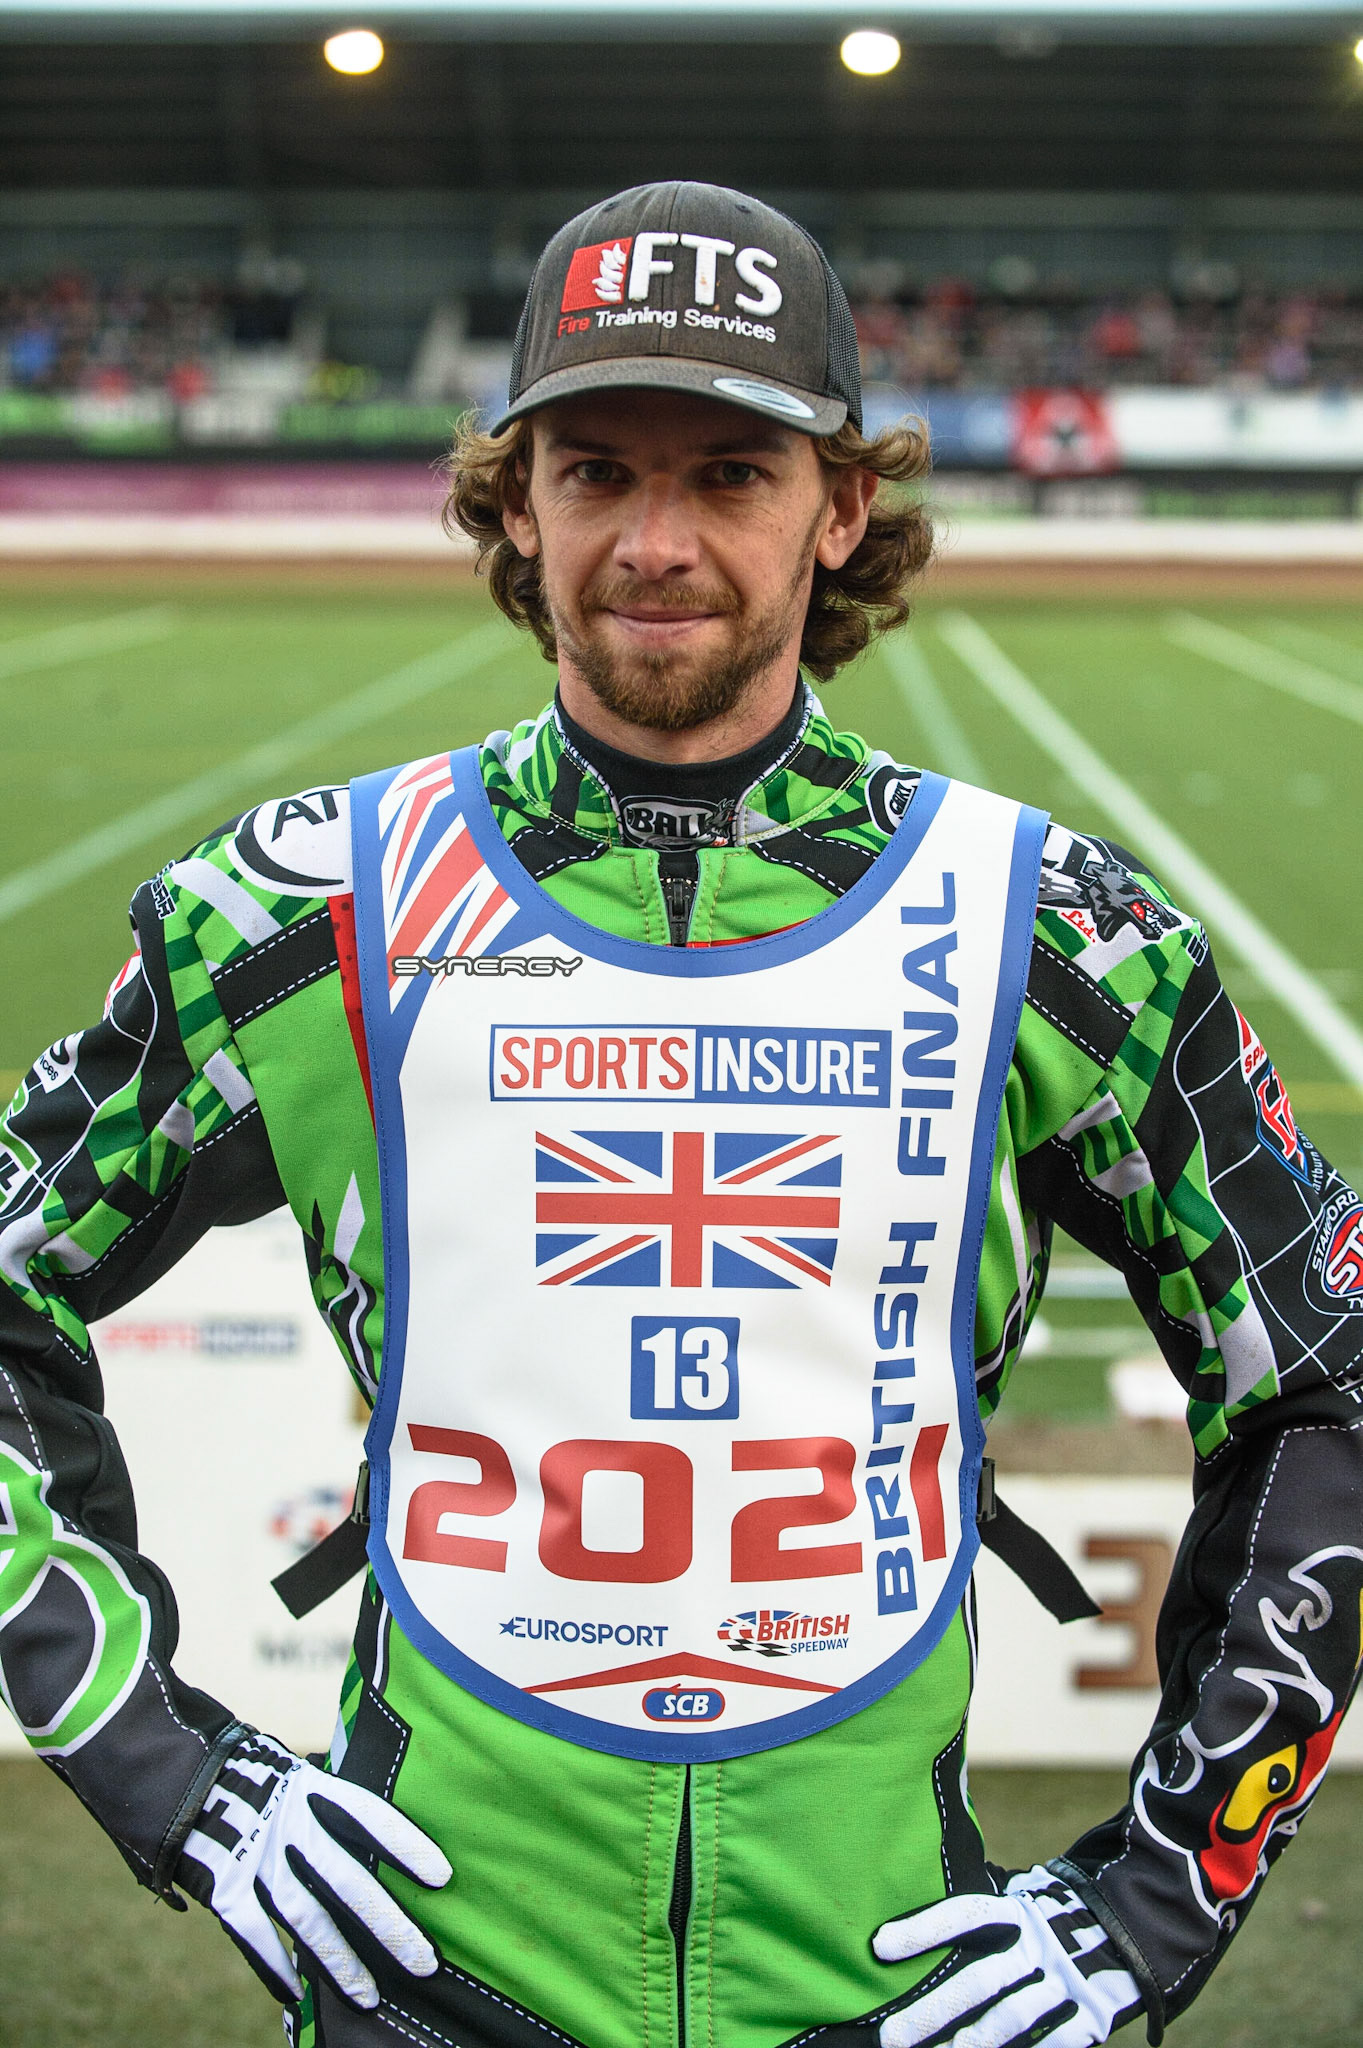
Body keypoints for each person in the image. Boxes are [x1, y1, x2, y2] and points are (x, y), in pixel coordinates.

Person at [1, 181, 1360, 2048]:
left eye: (730, 473)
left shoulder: (1063, 941)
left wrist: (1157, 1896)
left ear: (843, 505)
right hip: (425, 1991)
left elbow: (1329, 1379)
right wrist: (163, 1766)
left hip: (889, 2001)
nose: (655, 541)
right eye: (595, 470)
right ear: (514, 497)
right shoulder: (303, 916)